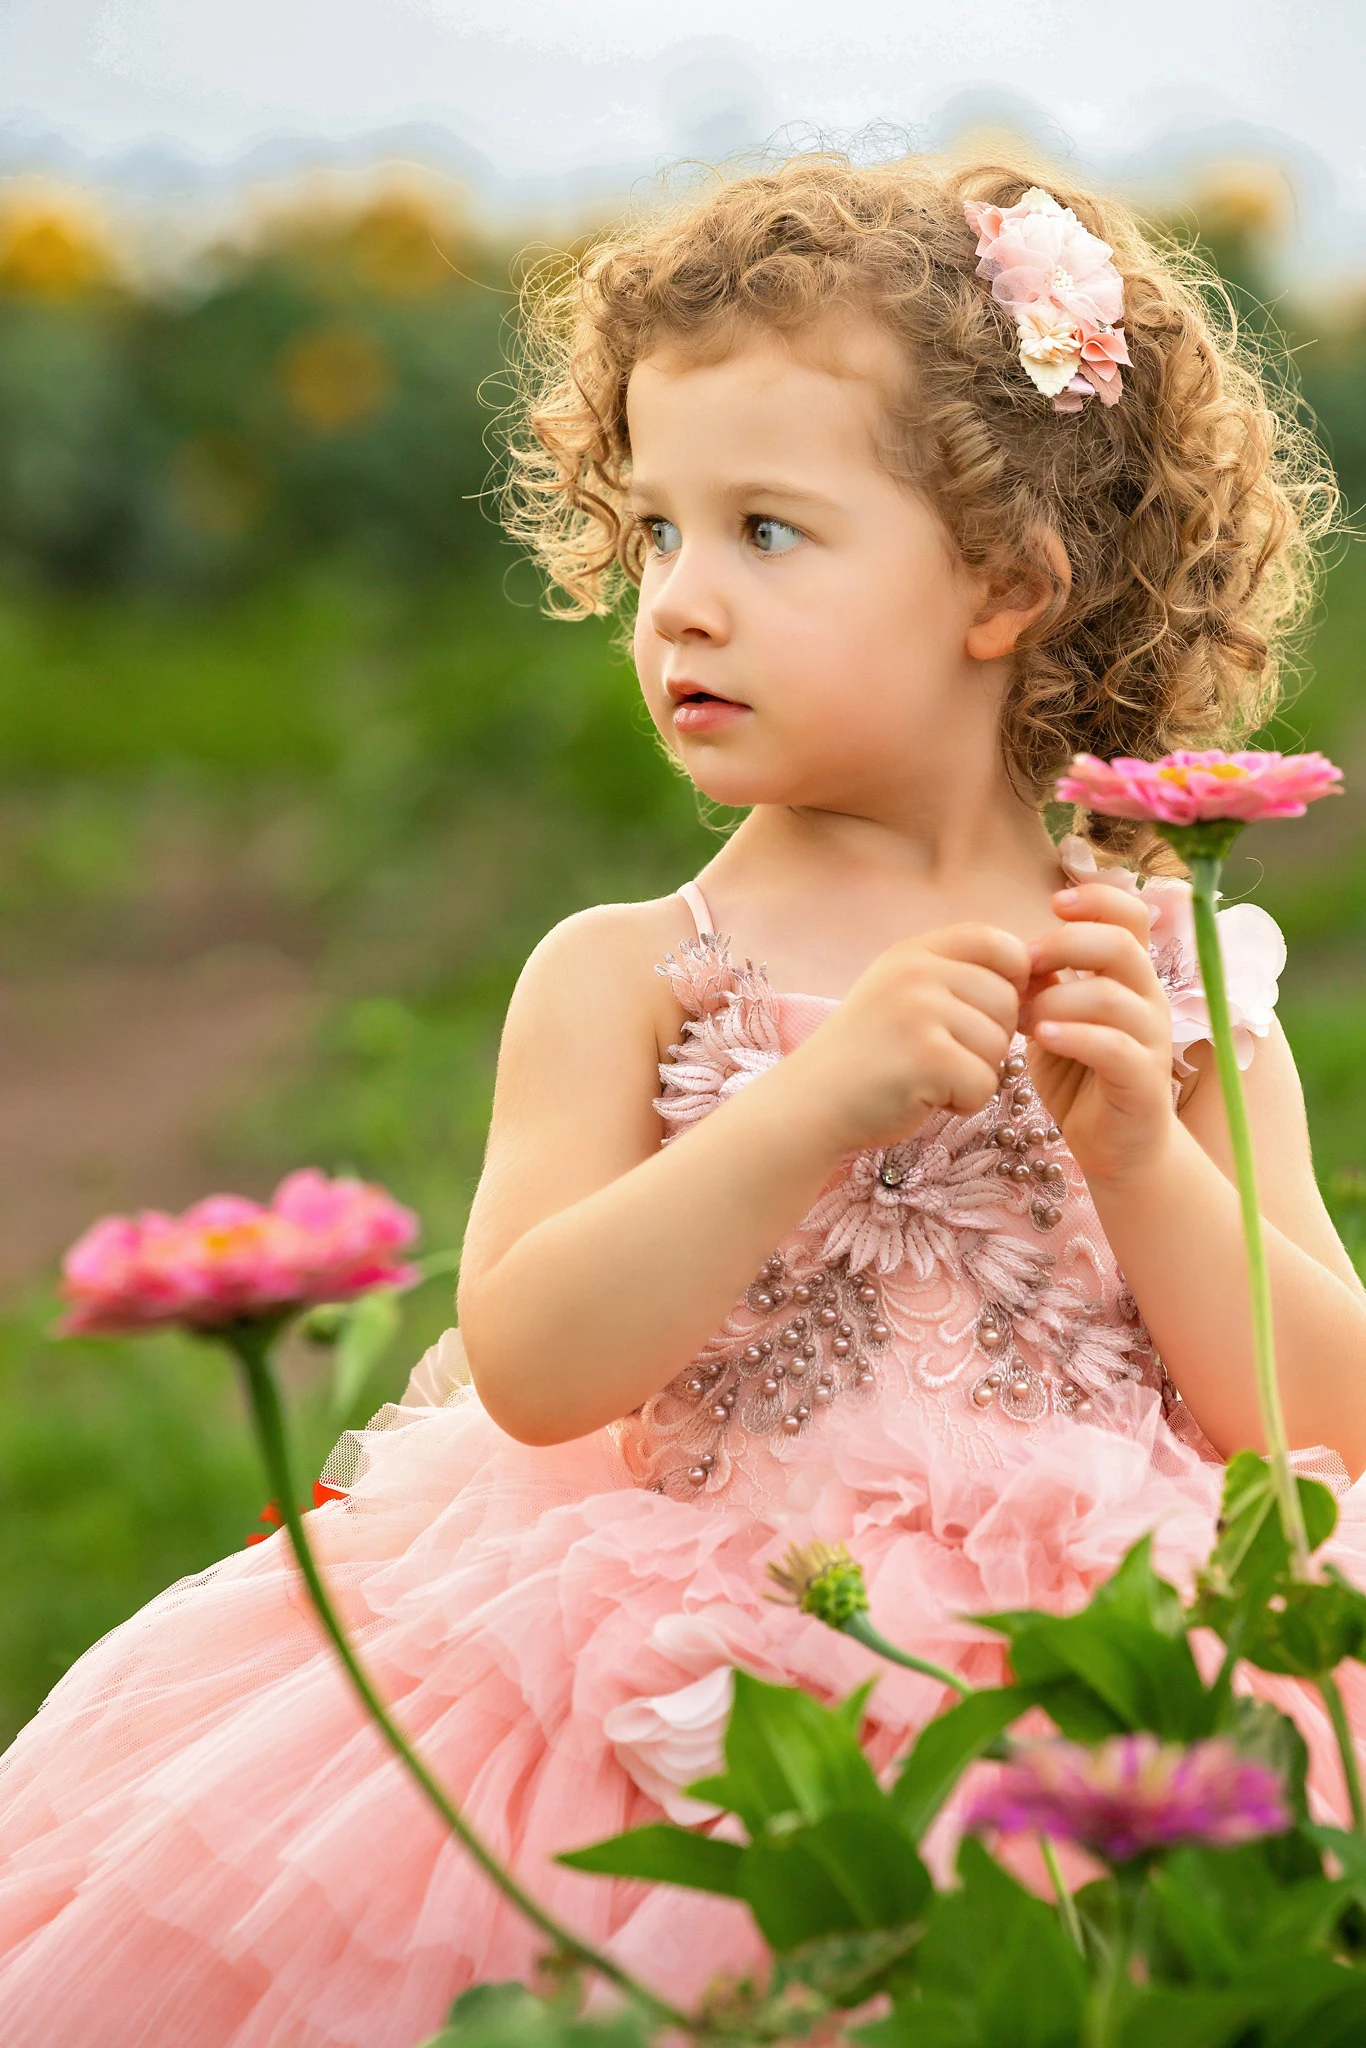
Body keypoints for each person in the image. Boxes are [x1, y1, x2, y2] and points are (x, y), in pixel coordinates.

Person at [2, 151, 1365, 2048]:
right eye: (652, 532)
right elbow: (539, 1360)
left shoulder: (1166, 969)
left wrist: (1139, 1155)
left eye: (765, 534)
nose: (678, 606)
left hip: (1118, 1671)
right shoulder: (626, 969)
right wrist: (798, 1111)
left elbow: (1323, 1414)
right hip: (684, 1675)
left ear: (1002, 582)